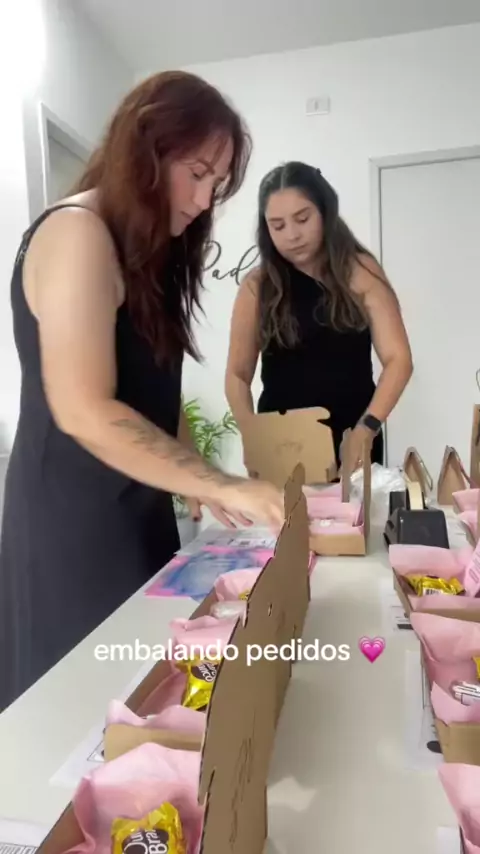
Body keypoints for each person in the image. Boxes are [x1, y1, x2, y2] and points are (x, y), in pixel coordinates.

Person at [0, 71, 285, 713]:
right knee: (80, 713)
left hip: (137, 511)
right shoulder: (76, 233)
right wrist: (220, 483)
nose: (204, 199)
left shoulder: (142, 253)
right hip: (73, 527)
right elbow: (84, 409)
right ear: (144, 150)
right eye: (198, 173)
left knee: (145, 697)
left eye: (218, 184)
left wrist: (197, 477)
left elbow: (152, 390)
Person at [225, 160, 413, 473]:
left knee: (355, 507)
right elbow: (237, 374)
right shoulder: (257, 286)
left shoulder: (360, 271)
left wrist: (368, 427)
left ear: (325, 211)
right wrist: (252, 434)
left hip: (354, 437)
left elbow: (399, 359)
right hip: (283, 445)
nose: (292, 235)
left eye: (302, 219)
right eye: (278, 226)